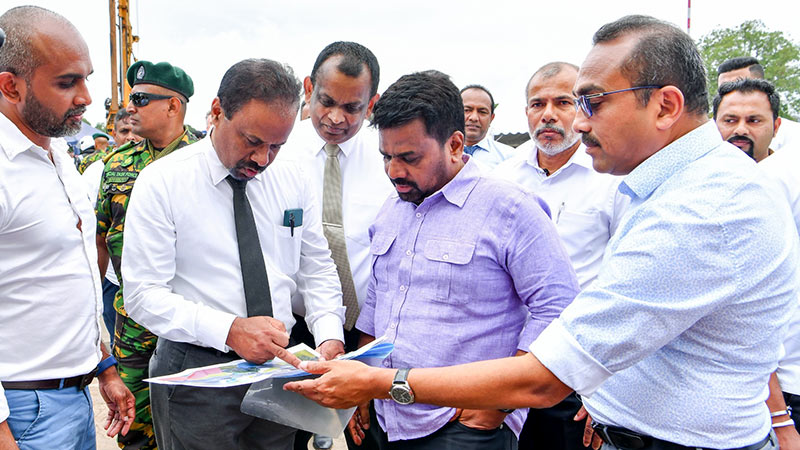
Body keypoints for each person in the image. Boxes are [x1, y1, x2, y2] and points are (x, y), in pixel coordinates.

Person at [286, 15, 799, 450]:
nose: (579, 123)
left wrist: (382, 384)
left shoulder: (706, 208)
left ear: (664, 105)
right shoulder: (666, 189)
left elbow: (548, 371)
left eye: (592, 102)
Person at [343, 70, 577, 449]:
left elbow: (558, 308)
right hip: (384, 418)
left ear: (454, 145)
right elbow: (376, 304)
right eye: (386, 157)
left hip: (461, 428)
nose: (394, 171)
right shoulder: (392, 208)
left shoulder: (511, 209)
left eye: (409, 157)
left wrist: (500, 403)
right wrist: (363, 387)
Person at [123, 58, 343, 450]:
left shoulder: (293, 177)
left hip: (280, 367)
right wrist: (230, 330)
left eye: (276, 146)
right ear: (217, 111)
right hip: (198, 373)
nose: (262, 159)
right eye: (252, 141)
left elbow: (315, 267)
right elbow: (143, 295)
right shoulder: (163, 182)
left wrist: (329, 336)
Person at [0, 5, 135, 448]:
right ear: (10, 85)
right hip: (22, 411)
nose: (86, 97)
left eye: (86, 78)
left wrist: (104, 367)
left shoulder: (56, 152)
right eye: (66, 83)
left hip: (71, 398)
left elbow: (66, 276)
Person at [494, 61, 628, 449]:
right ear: (526, 111)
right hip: (508, 363)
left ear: (583, 108)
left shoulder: (611, 179)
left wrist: (604, 388)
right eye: (538, 104)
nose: (548, 115)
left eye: (563, 103)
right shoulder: (502, 178)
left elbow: (622, 285)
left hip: (576, 369)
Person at [278, 41, 392, 450]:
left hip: (368, 331)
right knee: (286, 436)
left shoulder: (388, 158)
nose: (336, 118)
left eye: (352, 108)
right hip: (295, 329)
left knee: (369, 435)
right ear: (309, 88)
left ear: (371, 104)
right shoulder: (277, 154)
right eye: (326, 101)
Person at [95, 59, 198, 450]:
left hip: (192, 327)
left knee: (193, 428)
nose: (129, 108)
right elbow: (101, 239)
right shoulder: (117, 164)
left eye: (140, 99)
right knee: (134, 430)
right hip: (134, 325)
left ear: (173, 105)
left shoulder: (206, 160)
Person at [83, 109, 142, 344]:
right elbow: (92, 232)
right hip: (112, 280)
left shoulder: (160, 168)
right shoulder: (96, 172)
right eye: (124, 131)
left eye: (135, 130)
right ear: (114, 135)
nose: (130, 137)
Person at [718, 56, 800, 153]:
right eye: (725, 88)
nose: (740, 130)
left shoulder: (794, 136)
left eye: (741, 84)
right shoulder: (712, 135)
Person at [713, 78, 781, 162]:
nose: (740, 130)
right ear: (713, 125)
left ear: (775, 127)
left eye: (754, 121)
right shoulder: (699, 169)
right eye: (730, 121)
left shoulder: (790, 169)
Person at [460, 84, 515, 168]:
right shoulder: (441, 153)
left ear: (491, 118)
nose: (474, 118)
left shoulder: (509, 158)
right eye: (467, 110)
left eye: (482, 112)